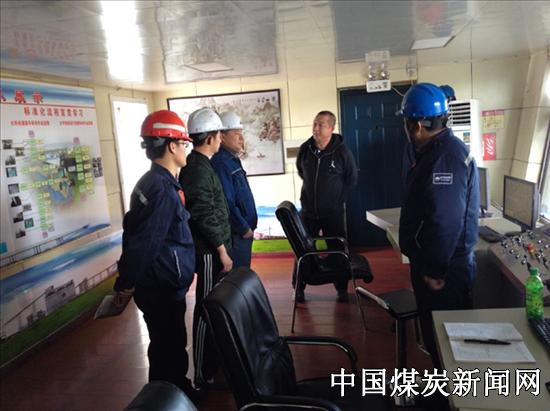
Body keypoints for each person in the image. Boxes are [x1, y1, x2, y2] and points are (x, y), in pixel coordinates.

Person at [113, 110, 196, 399]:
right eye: (183, 143)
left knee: (169, 345)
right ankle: (165, 399)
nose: (186, 149)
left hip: (163, 283)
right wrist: (126, 283)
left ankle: (176, 392)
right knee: (167, 348)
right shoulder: (161, 189)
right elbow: (145, 244)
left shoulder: (155, 181)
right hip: (161, 287)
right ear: (171, 146)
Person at [397, 83, 479, 367]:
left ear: (417, 126)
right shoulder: (437, 151)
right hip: (440, 263)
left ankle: (448, 390)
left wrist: (434, 270)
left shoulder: (445, 157)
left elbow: (445, 218)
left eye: (406, 122)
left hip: (445, 271)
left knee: (447, 343)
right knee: (441, 340)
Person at [178, 107, 232, 390]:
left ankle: (214, 361)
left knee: (214, 305)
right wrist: (222, 250)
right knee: (206, 308)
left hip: (214, 248)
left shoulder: (202, 164)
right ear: (210, 138)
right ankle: (201, 373)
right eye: (219, 135)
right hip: (209, 252)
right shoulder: (197, 169)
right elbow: (203, 214)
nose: (221, 139)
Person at [296, 110, 358, 303]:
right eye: (314, 124)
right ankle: (299, 288)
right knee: (303, 251)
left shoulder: (342, 152)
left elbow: (351, 179)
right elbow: (301, 171)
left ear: (331, 128)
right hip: (308, 212)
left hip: (333, 213)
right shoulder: (305, 149)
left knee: (337, 250)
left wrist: (335, 199)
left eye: (320, 125)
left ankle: (341, 289)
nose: (315, 128)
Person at [211, 111, 257, 268]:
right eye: (237, 133)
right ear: (222, 137)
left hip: (242, 233)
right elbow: (226, 202)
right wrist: (243, 228)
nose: (241, 138)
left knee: (242, 275)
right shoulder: (221, 163)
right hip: (236, 234)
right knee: (238, 276)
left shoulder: (231, 160)